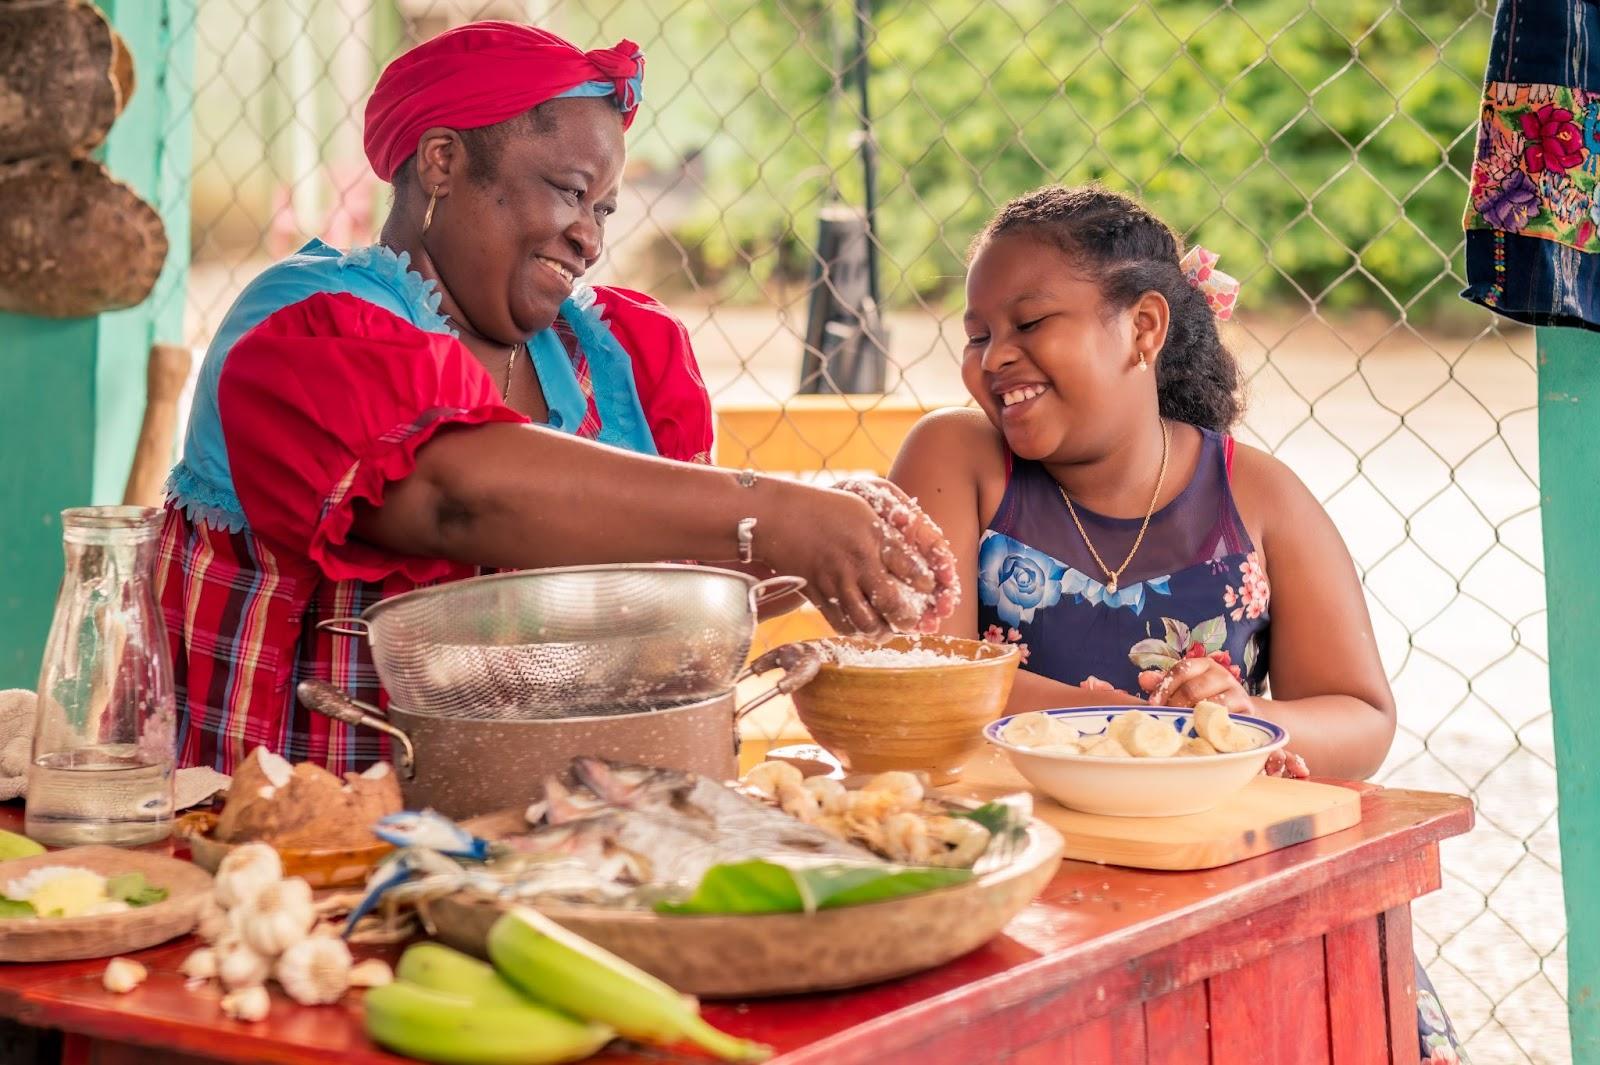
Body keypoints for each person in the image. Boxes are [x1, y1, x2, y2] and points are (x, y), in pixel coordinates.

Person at [158, 22, 955, 775]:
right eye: (571, 192)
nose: (591, 237)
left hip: (571, 830)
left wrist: (827, 539)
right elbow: (454, 495)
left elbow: (682, 576)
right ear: (442, 162)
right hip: (308, 852)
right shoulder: (302, 328)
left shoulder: (617, 360)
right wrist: (772, 511)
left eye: (603, 208)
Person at [890, 184, 1469, 1059]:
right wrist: (1150, 727)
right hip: (1013, 869)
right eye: (977, 336)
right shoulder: (958, 460)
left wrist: (1246, 720)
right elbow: (930, 677)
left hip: (1220, 871)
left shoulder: (1257, 499)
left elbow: (1361, 713)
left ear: (1144, 329)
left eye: (1030, 322)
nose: (994, 357)